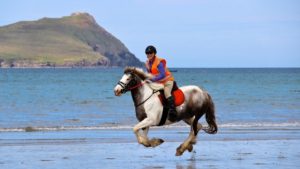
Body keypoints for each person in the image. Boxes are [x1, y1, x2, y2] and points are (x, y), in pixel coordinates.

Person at [144, 45, 177, 122]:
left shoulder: (159, 62)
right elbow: (151, 74)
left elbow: (162, 74)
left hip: (168, 80)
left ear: (154, 53)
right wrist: (147, 69)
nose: (148, 54)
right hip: (159, 82)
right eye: (147, 53)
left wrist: (152, 80)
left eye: (150, 53)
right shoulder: (149, 63)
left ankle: (173, 111)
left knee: (167, 93)